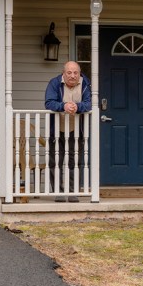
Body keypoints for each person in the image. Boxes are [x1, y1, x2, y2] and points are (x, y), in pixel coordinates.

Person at [44, 60, 92, 202]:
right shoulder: (54, 83)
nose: (72, 76)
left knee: (74, 162)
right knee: (55, 162)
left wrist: (77, 107)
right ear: (63, 74)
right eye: (69, 72)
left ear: (79, 73)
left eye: (75, 72)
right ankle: (58, 192)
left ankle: (72, 192)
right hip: (56, 130)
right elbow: (49, 103)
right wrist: (63, 106)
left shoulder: (85, 84)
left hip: (76, 131)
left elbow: (89, 103)